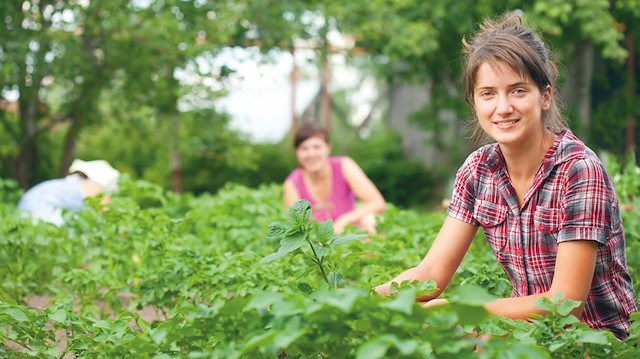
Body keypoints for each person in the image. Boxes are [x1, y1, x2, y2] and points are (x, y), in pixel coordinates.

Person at [375, 14, 638, 339]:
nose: (502, 107)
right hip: (524, 334)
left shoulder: (578, 170)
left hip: (596, 341)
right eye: (488, 94)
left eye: (517, 90)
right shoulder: (477, 172)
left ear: (544, 96)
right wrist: (365, 302)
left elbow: (565, 303)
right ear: (474, 104)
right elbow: (431, 273)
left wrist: (461, 310)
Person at [284, 123, 386, 234]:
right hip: (320, 245)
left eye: (317, 147)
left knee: (370, 220)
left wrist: (343, 221)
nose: (311, 154)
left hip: (352, 235)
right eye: (304, 148)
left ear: (328, 148)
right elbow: (296, 230)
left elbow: (377, 203)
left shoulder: (344, 165)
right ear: (297, 153)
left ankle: (372, 251)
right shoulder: (292, 184)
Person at [18, 159, 120, 226]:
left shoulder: (69, 183)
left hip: (22, 214)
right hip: (43, 219)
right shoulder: (92, 187)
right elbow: (108, 217)